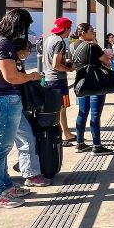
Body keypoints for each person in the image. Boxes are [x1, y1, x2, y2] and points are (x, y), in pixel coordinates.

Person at [0, 8, 43, 209]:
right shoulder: (2, 44)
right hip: (4, 100)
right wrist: (32, 76)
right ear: (19, 26)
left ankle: (5, 185)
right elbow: (11, 77)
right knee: (0, 149)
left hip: (0, 99)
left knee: (5, 146)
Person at [11, 38, 52, 188]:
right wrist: (33, 76)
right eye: (28, 50)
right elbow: (15, 79)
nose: (29, 53)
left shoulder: (14, 60)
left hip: (16, 104)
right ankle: (31, 175)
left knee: (23, 139)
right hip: (11, 105)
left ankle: (25, 168)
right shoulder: (12, 61)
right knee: (26, 139)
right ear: (20, 49)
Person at [70, 23, 114, 156]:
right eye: (91, 31)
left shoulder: (72, 46)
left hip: (81, 82)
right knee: (95, 114)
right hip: (95, 83)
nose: (93, 33)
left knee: (82, 112)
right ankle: (97, 146)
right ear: (82, 32)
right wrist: (96, 45)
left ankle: (79, 143)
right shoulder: (93, 46)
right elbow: (107, 62)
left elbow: (73, 63)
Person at [42, 17, 76, 147]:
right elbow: (56, 64)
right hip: (58, 80)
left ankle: (64, 133)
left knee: (56, 108)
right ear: (66, 29)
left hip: (49, 79)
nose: (69, 32)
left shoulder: (48, 39)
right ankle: (65, 134)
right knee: (62, 107)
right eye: (69, 29)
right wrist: (69, 68)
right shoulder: (60, 42)